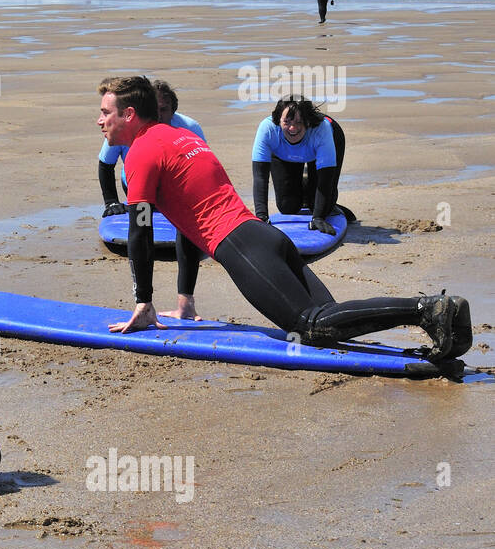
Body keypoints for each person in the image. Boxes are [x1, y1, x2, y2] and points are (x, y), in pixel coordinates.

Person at [95, 75, 470, 361]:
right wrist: (185, 301)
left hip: (240, 246)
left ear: (129, 115)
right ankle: (439, 320)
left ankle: (428, 309)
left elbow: (140, 231)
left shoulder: (142, 151)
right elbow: (187, 225)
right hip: (266, 236)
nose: (100, 121)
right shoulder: (183, 139)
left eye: (105, 113)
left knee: (312, 325)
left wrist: (143, 303)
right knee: (330, 322)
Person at [99, 79, 205, 217]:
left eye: (163, 110)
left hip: (176, 188)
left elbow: (201, 165)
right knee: (143, 223)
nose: (158, 116)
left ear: (173, 111)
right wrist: (111, 202)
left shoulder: (189, 127)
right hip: (137, 185)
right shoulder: (125, 128)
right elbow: (106, 164)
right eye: (154, 109)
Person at [251, 95, 348, 233]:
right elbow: (260, 176)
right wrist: (261, 218)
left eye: (299, 122)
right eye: (287, 122)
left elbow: (325, 180)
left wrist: (318, 217)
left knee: (319, 207)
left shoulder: (322, 129)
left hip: (324, 145)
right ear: (278, 120)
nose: (292, 128)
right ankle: (305, 187)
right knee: (287, 206)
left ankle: (316, 194)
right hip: (283, 153)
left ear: (307, 122)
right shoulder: (268, 129)